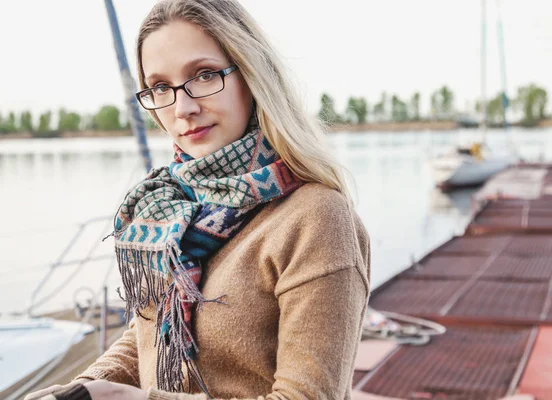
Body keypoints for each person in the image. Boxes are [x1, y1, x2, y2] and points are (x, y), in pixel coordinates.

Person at [26, 0, 370, 399]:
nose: (182, 108)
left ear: (252, 75)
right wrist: (81, 388)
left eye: (204, 75)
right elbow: (148, 335)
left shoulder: (316, 217)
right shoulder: (168, 208)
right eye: (160, 87)